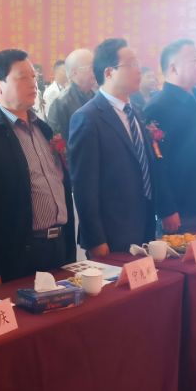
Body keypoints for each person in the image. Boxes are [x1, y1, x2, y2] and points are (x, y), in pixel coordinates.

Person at [0, 49, 74, 290]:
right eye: (22, 77)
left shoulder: (43, 130)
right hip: (12, 258)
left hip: (55, 251)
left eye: (34, 76)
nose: (33, 83)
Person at [70, 38, 158, 255]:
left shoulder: (135, 112)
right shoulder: (88, 118)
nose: (139, 70)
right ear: (109, 72)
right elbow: (84, 187)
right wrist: (96, 240)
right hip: (111, 232)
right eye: (131, 64)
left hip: (144, 223)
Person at [144, 38, 196, 230]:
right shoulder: (159, 107)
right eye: (194, 60)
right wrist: (166, 209)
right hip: (180, 210)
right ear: (173, 68)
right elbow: (156, 164)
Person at [47, 48, 97, 138]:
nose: (95, 71)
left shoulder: (96, 96)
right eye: (91, 68)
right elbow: (56, 140)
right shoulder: (61, 103)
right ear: (74, 72)